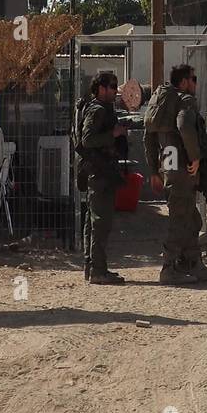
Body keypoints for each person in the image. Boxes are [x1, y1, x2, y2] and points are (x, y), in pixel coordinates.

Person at [144, 64, 207, 284]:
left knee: (191, 218)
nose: (196, 84)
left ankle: (192, 263)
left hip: (168, 168)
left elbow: (148, 137)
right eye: (194, 79)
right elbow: (185, 126)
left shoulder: (161, 104)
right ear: (185, 81)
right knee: (180, 218)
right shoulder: (184, 101)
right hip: (182, 168)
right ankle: (169, 268)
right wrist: (195, 157)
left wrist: (153, 170)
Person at [76, 71, 129, 285]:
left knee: (94, 222)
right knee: (100, 222)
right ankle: (98, 270)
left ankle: (94, 267)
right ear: (100, 88)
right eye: (112, 86)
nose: (115, 91)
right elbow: (87, 140)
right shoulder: (97, 110)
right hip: (99, 172)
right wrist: (113, 135)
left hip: (101, 171)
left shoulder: (103, 109)